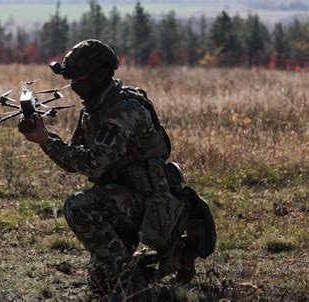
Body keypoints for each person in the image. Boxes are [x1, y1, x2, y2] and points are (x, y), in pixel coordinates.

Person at [19, 39, 216, 301]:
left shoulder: (124, 110)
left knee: (79, 206)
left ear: (98, 75)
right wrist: (44, 136)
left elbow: (92, 163)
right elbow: (72, 162)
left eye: (79, 77)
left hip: (150, 205)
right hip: (125, 201)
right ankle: (165, 258)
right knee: (99, 284)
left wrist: (45, 140)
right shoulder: (94, 109)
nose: (73, 84)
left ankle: (137, 286)